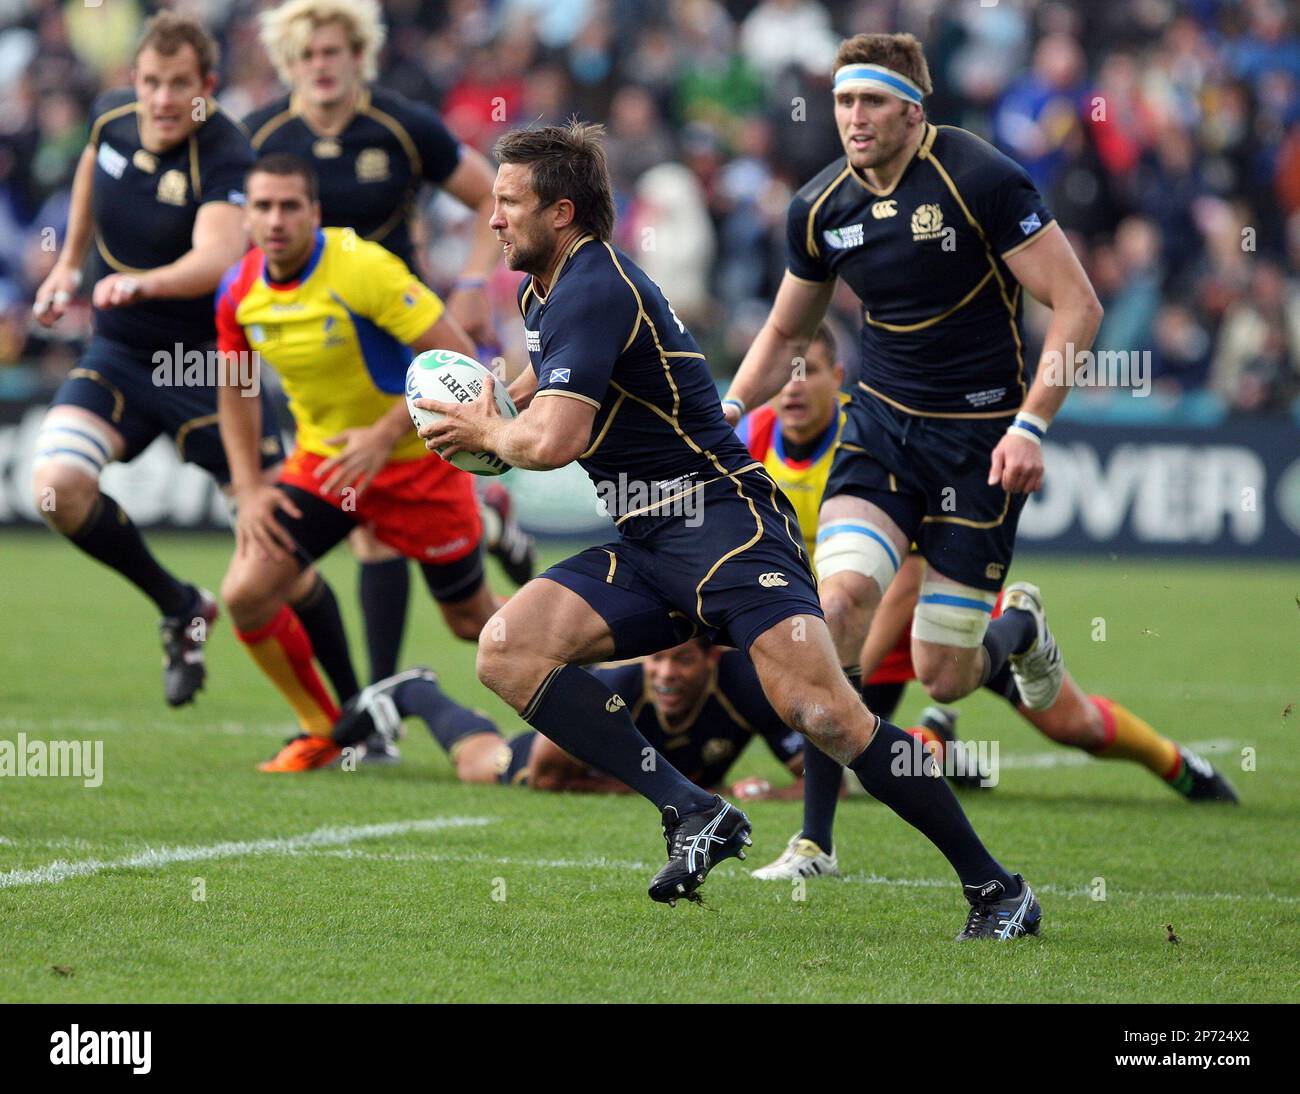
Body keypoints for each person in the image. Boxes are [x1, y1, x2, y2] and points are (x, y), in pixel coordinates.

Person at [415, 120, 1039, 939]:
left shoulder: (596, 287)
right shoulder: (550, 291)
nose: (490, 219)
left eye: (507, 203)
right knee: (507, 649)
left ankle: (998, 891)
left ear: (561, 212)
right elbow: (535, 398)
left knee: (829, 718)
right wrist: (490, 403)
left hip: (724, 526)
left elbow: (552, 440)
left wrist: (486, 434)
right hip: (650, 540)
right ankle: (693, 809)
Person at [28, 12, 350, 709]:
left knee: (274, 558)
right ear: (133, 81)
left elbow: (215, 258)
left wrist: (146, 281)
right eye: (151, 82)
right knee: (56, 490)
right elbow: (93, 168)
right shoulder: (112, 120)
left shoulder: (225, 152)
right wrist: (67, 267)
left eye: (180, 85)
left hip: (209, 366)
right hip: (116, 354)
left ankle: (357, 708)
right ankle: (180, 607)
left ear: (206, 86)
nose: (164, 100)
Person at [246, 0, 534, 698]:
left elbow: (487, 196)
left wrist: (470, 278)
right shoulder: (261, 135)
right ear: (289, 62)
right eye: (308, 54)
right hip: (320, 345)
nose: (322, 65)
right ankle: (379, 708)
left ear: (358, 55)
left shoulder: (402, 125)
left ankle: (379, 707)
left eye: (334, 51)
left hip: (399, 333)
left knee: (374, 516)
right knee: (364, 520)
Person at [214, 154, 500, 773]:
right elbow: (234, 389)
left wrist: (383, 433)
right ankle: (331, 729)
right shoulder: (238, 290)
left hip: (418, 465)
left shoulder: (362, 267)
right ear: (246, 217)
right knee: (246, 592)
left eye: (290, 206)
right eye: (262, 207)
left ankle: (614, 681)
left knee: (473, 621)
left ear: (315, 214)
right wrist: (247, 487)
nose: (276, 219)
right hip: (326, 465)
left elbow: (461, 356)